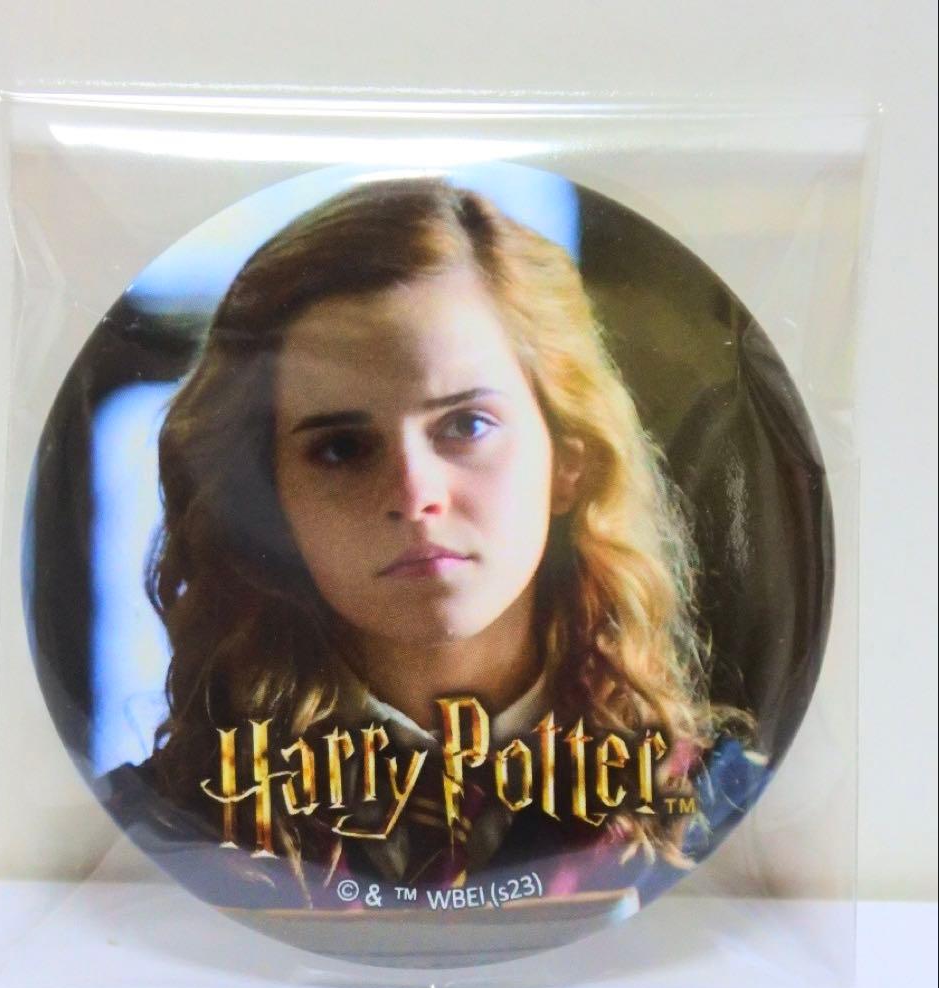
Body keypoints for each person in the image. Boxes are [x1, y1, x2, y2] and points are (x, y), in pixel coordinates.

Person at [111, 177, 764, 912]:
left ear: (568, 460)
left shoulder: (729, 814)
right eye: (341, 448)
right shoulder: (152, 835)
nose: (414, 493)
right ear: (271, 500)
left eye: (466, 424)